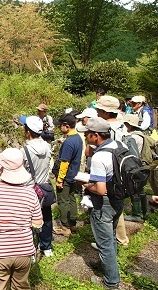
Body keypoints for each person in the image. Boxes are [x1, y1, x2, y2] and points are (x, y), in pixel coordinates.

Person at [0, 148, 43, 290]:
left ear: (1, 169)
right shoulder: (30, 193)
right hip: (23, 250)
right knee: (21, 286)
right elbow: (38, 223)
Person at [78, 117, 124, 289]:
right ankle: (107, 265)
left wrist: (85, 184)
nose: (85, 137)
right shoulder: (119, 146)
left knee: (104, 243)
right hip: (118, 198)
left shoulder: (99, 156)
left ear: (95, 136)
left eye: (87, 135)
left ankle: (111, 281)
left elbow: (100, 189)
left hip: (103, 203)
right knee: (110, 236)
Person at [94, 95, 129, 248]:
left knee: (111, 209)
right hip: (123, 171)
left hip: (111, 174)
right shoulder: (122, 126)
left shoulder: (109, 130)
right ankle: (117, 239)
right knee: (118, 207)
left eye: (99, 110)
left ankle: (115, 240)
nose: (97, 112)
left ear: (107, 113)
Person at [20, 116, 54, 257]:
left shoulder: (24, 151)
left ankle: (29, 249)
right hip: (44, 187)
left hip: (29, 190)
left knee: (28, 221)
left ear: (28, 132)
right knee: (46, 217)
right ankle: (46, 247)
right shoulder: (47, 146)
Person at [52, 113, 83, 236]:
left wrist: (60, 180)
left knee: (63, 201)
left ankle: (65, 227)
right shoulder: (78, 138)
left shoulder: (69, 142)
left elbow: (64, 163)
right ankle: (73, 224)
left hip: (66, 176)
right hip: (74, 175)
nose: (60, 128)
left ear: (66, 126)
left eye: (61, 126)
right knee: (71, 198)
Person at [122, 114, 148, 222]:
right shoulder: (141, 134)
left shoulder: (132, 137)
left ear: (128, 125)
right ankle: (144, 213)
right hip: (141, 164)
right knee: (141, 189)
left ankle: (137, 214)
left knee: (134, 190)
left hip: (133, 165)